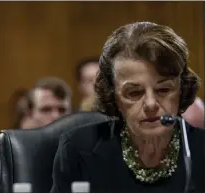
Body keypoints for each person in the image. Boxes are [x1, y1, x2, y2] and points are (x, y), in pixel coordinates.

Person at [51, 22, 205, 193]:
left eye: (163, 90)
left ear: (182, 90)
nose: (151, 104)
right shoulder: (78, 148)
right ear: (112, 96)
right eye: (134, 93)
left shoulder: (200, 150)